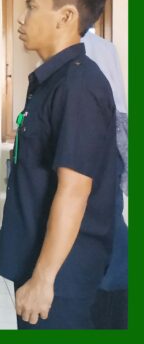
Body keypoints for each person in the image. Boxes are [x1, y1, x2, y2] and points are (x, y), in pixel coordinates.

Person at [0, 0, 120, 329]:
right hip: (38, 255)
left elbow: (74, 189)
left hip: (62, 272)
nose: (22, 18)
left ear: (66, 17)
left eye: (32, 6)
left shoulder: (79, 84)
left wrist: (44, 278)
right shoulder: (51, 81)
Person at [81, 30, 128, 329]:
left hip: (100, 143)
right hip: (108, 143)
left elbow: (115, 108)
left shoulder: (90, 51)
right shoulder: (104, 48)